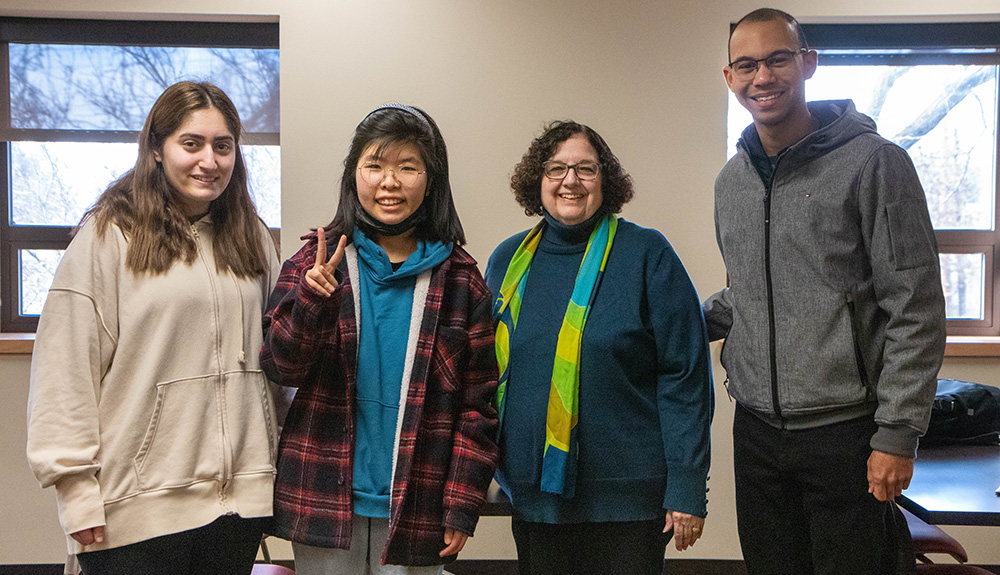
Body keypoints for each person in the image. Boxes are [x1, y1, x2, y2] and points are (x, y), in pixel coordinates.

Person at [704, 8, 947, 575]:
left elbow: (915, 307)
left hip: (848, 434)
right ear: (729, 77)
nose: (762, 77)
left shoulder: (876, 163)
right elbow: (750, 292)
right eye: (747, 65)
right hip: (758, 432)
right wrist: (673, 321)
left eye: (777, 59)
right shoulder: (731, 182)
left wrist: (898, 433)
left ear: (808, 63)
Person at [26, 81, 281, 575]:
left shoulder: (250, 237)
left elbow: (275, 364)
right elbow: (65, 369)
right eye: (192, 144)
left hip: (237, 508)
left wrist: (270, 476)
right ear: (157, 150)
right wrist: (76, 491)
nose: (209, 160)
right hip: (136, 507)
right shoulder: (107, 237)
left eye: (222, 146)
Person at [260, 103, 498, 574]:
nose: (390, 182)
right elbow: (278, 367)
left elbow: (479, 404)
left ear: (431, 180)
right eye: (375, 166)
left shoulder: (461, 280)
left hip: (419, 501)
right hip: (324, 493)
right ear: (354, 176)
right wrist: (311, 302)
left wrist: (461, 502)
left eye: (407, 167)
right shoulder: (316, 262)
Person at [485, 120, 713, 575]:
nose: (570, 181)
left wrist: (687, 487)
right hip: (534, 497)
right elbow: (483, 374)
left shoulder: (647, 254)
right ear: (538, 179)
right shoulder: (507, 261)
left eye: (586, 169)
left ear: (605, 181)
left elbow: (685, 376)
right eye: (556, 169)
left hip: (629, 504)